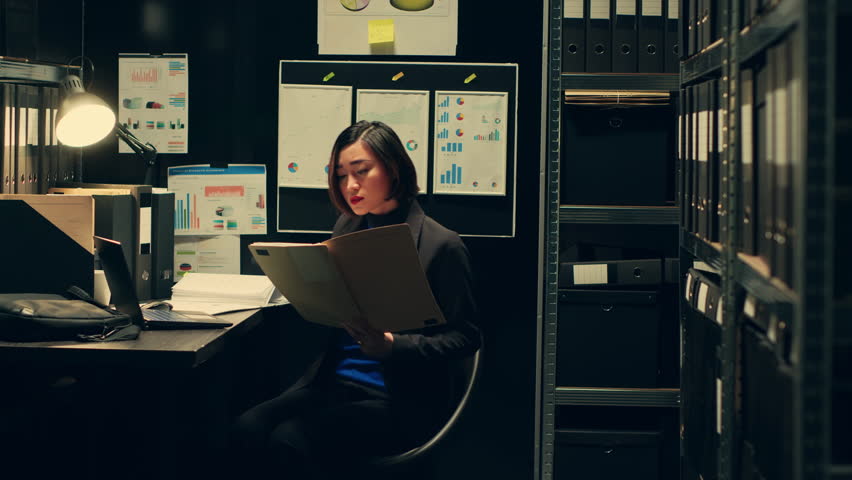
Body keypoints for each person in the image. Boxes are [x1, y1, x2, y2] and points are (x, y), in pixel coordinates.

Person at [231, 120, 480, 479]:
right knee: (247, 428)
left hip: (399, 400)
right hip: (334, 385)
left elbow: (467, 338)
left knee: (291, 440)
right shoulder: (347, 227)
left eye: (361, 172)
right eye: (340, 175)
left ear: (393, 168)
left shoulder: (442, 245)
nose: (350, 186)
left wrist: (395, 346)